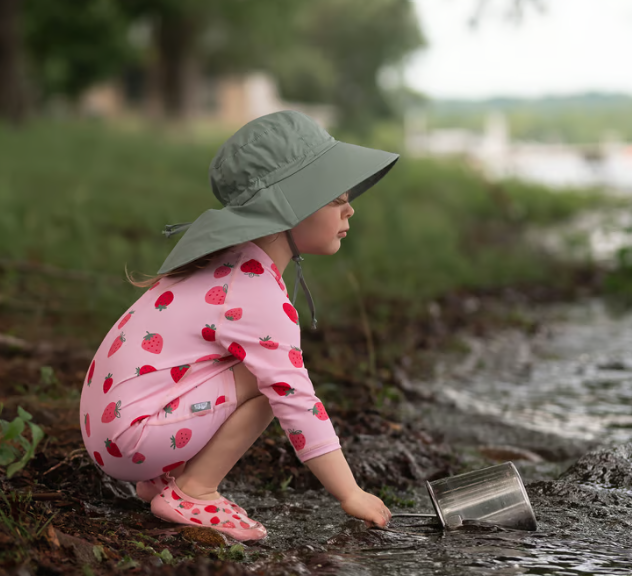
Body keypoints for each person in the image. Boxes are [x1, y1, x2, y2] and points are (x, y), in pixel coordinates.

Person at [79, 110, 399, 542]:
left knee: (256, 371)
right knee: (271, 382)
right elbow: (296, 400)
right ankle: (193, 492)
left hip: (111, 429)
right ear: (292, 207)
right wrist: (350, 493)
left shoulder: (230, 263)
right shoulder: (254, 292)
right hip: (131, 439)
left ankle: (163, 478)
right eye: (338, 200)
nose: (351, 211)